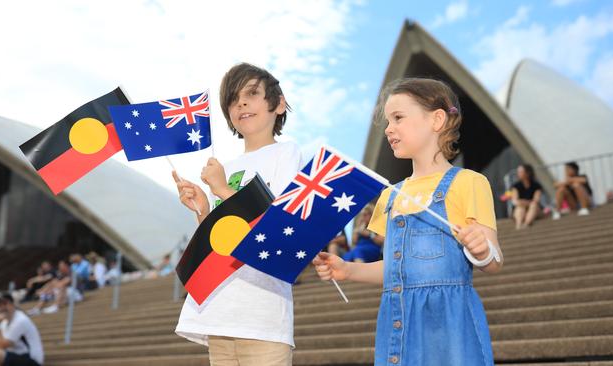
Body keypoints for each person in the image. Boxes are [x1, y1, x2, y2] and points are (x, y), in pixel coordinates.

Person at [313, 77, 503, 365]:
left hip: (449, 326)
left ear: (437, 119)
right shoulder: (390, 195)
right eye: (388, 121)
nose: (389, 128)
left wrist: (481, 251)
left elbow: (494, 261)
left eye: (398, 117)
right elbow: (397, 268)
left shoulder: (469, 182)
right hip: (398, 322)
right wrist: (347, 270)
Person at [173, 63, 304, 365]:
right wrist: (203, 209)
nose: (241, 103)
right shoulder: (226, 167)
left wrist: (221, 190)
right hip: (219, 311)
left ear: (279, 103)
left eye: (252, 94)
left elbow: (280, 225)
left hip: (262, 314)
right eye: (233, 99)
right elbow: (217, 237)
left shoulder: (287, 153)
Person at [0, 294, 43, 366]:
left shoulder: (20, 320)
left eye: (5, 304)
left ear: (13, 304)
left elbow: (1, 345)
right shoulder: (4, 322)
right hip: (16, 356)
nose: (2, 307)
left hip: (31, 359)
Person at [511, 164, 543, 230]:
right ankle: (519, 225)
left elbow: (536, 200)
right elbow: (515, 201)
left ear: (527, 173)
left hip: (534, 209)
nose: (518, 174)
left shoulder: (536, 186)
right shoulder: (516, 186)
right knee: (520, 208)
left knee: (533, 205)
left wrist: (523, 202)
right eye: (518, 172)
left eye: (520, 172)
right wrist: (527, 202)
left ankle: (526, 224)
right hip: (521, 209)